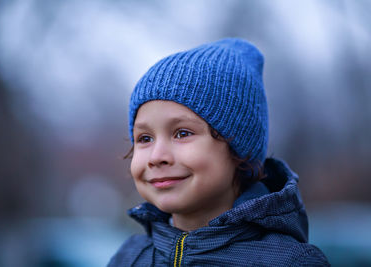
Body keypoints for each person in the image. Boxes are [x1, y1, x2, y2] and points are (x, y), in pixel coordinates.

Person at [108, 38, 330, 266]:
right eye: (145, 138)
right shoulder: (129, 257)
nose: (156, 157)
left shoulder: (289, 262)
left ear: (238, 150)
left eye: (182, 133)